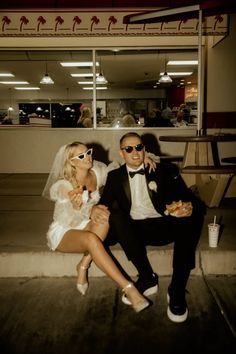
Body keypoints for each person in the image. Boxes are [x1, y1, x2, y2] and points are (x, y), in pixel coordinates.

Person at [99, 132, 206, 323]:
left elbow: (189, 198)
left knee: (192, 216)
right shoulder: (115, 177)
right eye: (128, 149)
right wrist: (94, 208)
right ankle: (147, 277)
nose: (135, 152)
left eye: (139, 148)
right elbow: (104, 203)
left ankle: (177, 288)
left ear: (144, 150)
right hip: (136, 231)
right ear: (121, 153)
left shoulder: (162, 170)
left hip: (164, 224)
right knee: (116, 217)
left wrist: (188, 208)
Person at [42, 141, 155, 313]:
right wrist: (76, 203)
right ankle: (129, 289)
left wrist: (144, 157)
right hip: (66, 229)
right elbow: (64, 204)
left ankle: (83, 264)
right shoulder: (64, 184)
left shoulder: (97, 171)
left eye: (88, 152)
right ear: (72, 162)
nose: (87, 157)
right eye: (81, 156)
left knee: (105, 215)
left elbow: (120, 169)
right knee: (91, 238)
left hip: (89, 224)